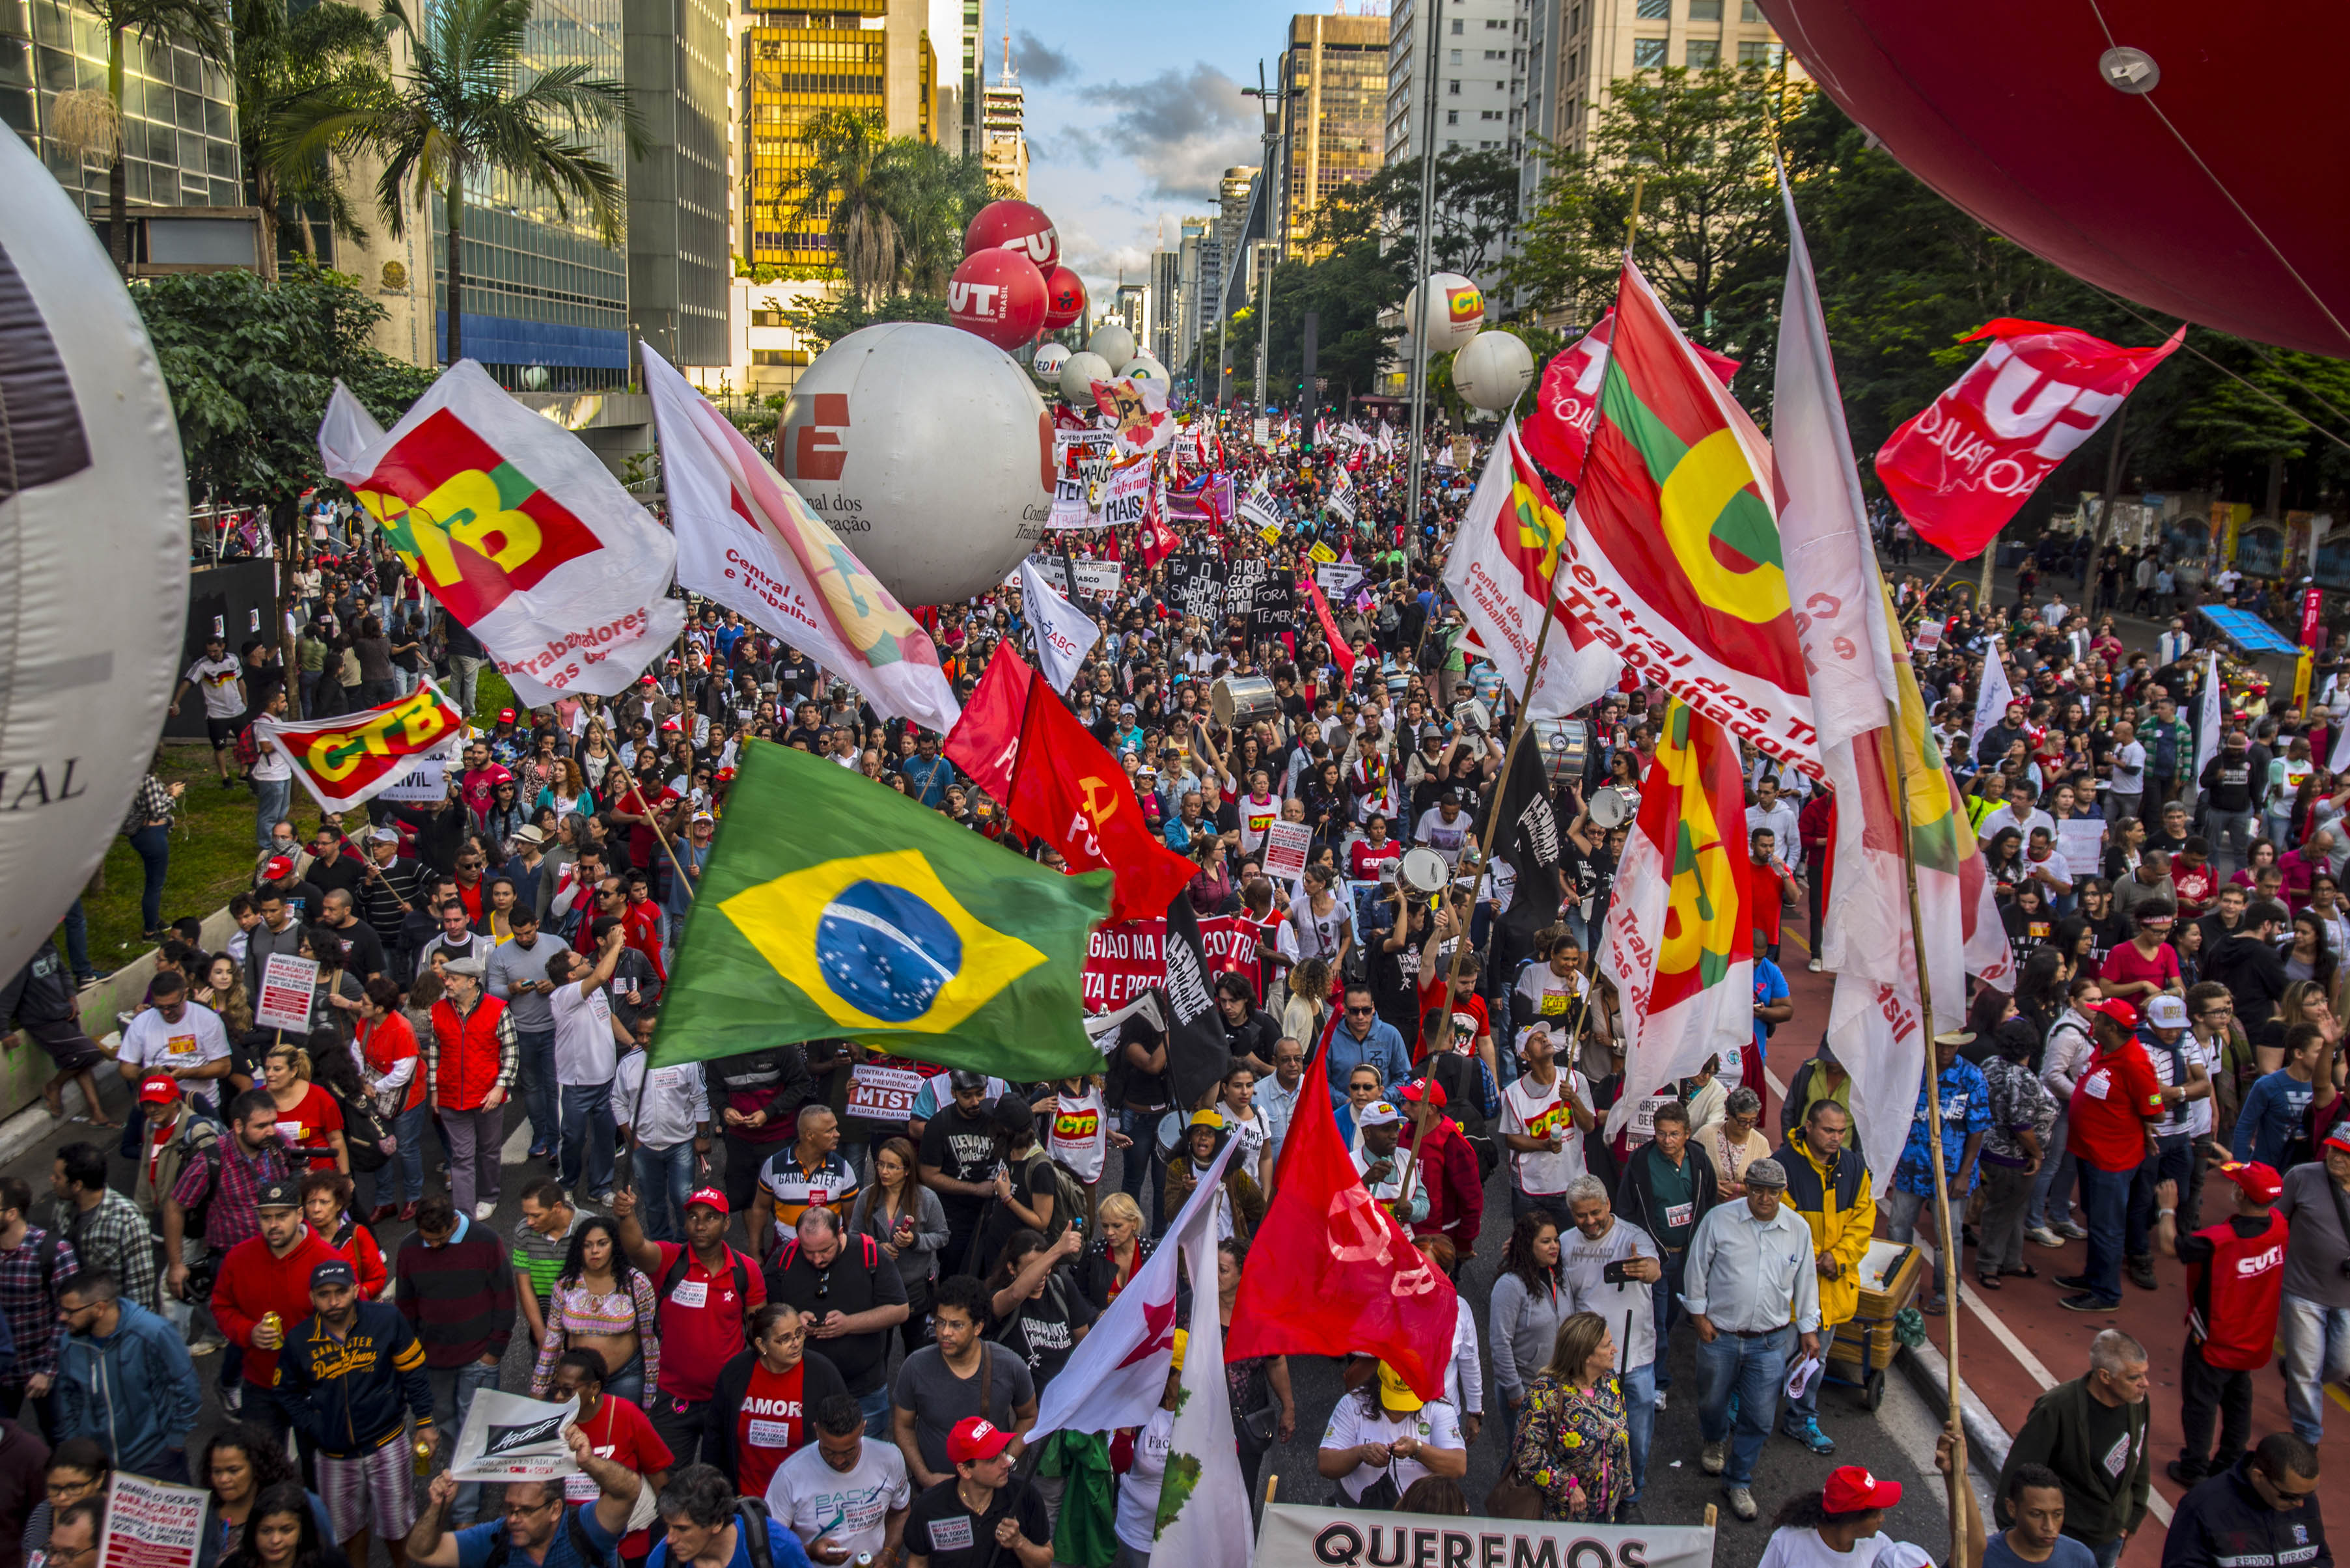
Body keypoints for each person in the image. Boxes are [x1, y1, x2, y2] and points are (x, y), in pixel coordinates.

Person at [1682, 1156, 1821, 1521]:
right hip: (1720, 1336)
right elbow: (1697, 1267)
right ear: (1747, 1188)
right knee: (1712, 1402)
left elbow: (1807, 1282)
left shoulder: (1798, 1229)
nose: (1764, 1198)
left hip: (1771, 1342)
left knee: (1760, 1417)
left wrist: (1808, 1328)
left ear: (1782, 1194)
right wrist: (1698, 1316)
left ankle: (1738, 1479)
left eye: (1773, 1192)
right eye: (1757, 1189)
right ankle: (1714, 1440)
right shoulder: (1719, 1219)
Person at [273, 1259, 434, 1567]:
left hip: (387, 1443)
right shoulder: (298, 1340)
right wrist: (313, 1426)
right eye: (324, 1294)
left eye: (340, 1292)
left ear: (356, 1290)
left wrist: (425, 1422)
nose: (333, 1302)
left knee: (397, 1524)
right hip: (333, 1456)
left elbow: (414, 1370)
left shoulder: (386, 1320)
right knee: (346, 1530)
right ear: (312, 1298)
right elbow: (285, 1391)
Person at [611, 1185, 766, 1468]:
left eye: (711, 1217)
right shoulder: (668, 1259)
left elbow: (759, 1333)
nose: (700, 1225)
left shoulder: (746, 1271)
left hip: (726, 1398)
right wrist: (627, 1215)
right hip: (672, 1395)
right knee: (666, 1480)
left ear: (727, 1223)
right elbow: (636, 1247)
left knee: (724, 1480)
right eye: (693, 1217)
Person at [2152, 1164, 2288, 1485]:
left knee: (2200, 1404)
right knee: (2239, 1401)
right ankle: (2229, 1460)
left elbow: (2170, 1245)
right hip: (2253, 1338)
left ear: (2239, 1194)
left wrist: (2167, 1209)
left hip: (2214, 1338)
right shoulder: (2279, 1226)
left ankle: (2193, 1468)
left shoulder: (2219, 1239)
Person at [393, 1198, 514, 1529]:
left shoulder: (485, 1240)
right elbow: (405, 1302)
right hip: (432, 1359)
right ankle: (469, 1486)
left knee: (471, 1433)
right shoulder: (408, 1248)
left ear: (454, 1224)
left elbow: (505, 1295)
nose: (432, 1245)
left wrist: (495, 1349)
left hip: (479, 1357)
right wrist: (410, 1351)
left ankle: (464, 1515)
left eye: (440, 1239)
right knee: (446, 1428)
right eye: (426, 1239)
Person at [1997, 1330, 2152, 1568]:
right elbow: (2018, 1473)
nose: (2145, 1384)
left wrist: (2132, 1519)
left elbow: (2138, 1458)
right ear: (2105, 1376)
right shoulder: (2057, 1407)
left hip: (2110, 1538)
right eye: (2134, 1377)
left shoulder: (2138, 1403)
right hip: (2062, 1542)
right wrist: (2014, 1543)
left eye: (2145, 1374)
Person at [399, 1421, 639, 1568]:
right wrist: (437, 1506)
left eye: (525, 1510)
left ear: (555, 1509)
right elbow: (421, 1552)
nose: (512, 1519)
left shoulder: (587, 1528)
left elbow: (628, 1491)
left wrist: (588, 1463)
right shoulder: (496, 1539)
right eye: (509, 1508)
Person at [1776, 1100, 1873, 1455]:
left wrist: (1840, 1258)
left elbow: (1863, 1220)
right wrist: (1818, 1258)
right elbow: (1782, 1221)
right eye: (1829, 1130)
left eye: (1841, 1131)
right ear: (1809, 1127)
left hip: (1830, 1291)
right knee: (1774, 1357)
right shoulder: (1782, 1165)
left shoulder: (1854, 1167)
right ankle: (1748, 1406)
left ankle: (1801, 1420)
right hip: (1789, 1291)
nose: (1836, 1138)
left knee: (1813, 1362)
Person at [210, 1178, 340, 1442]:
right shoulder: (238, 1259)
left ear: (300, 1214)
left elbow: (352, 1317)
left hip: (317, 1385)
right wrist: (248, 1331)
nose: (274, 1225)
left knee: (318, 1471)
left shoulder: (328, 1261)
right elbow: (222, 1306)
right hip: (261, 1385)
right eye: (266, 1217)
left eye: (281, 1216)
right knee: (263, 1469)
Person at [760, 1207, 908, 1437]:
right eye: (808, 1252)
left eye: (825, 1250)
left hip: (864, 1390)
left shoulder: (870, 1254)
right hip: (802, 1389)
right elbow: (764, 1315)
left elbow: (900, 1310)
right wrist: (793, 1324)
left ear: (840, 1233)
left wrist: (848, 1324)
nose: (817, 1259)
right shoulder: (783, 1261)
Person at [2059, 1000, 2166, 1314]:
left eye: (2100, 1016)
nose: (2094, 1017)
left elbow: (2155, 1110)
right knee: (2096, 1219)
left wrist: (2145, 1124)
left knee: (2108, 1226)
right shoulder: (2104, 1048)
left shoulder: (2135, 1062)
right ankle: (2093, 1277)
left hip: (2113, 1160)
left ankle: (2106, 1293)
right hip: (2091, 1152)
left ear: (2112, 1028)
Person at [1556, 1179, 1659, 1501]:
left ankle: (1633, 1490)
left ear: (1609, 1205)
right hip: (1587, 1362)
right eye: (1580, 1215)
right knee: (1586, 1436)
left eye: (1595, 1213)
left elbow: (1654, 1268)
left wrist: (1646, 1269)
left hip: (1635, 1358)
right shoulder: (1565, 1243)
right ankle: (1592, 1493)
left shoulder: (1633, 1237)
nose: (1589, 1221)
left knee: (1636, 1436)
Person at [53, 1269, 200, 1481]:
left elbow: (187, 1388)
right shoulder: (70, 1342)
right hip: (98, 1463)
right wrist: (75, 1443)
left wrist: (174, 1442)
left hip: (156, 1459)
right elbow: (67, 1395)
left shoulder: (154, 1333)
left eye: (69, 1311)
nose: (62, 1317)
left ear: (99, 1308)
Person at [891, 1276, 1036, 1491]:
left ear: (978, 1327)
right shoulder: (915, 1367)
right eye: (940, 1322)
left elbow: (1029, 1416)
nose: (945, 1332)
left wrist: (1007, 1461)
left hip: (988, 1491)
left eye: (956, 1325)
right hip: (934, 1492)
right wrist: (924, 1476)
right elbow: (903, 1426)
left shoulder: (1010, 1365)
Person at [1887, 1030, 1991, 1314]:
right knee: (1898, 1226)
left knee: (1948, 1237)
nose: (1945, 1051)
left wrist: (1965, 1173)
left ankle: (1947, 1293)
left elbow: (1978, 1129)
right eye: (1940, 1045)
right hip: (1912, 1167)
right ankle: (1898, 1285)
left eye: (1951, 1046)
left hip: (1951, 1171)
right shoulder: (1913, 1071)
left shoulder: (1972, 1077)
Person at [703, 1302, 850, 1503]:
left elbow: (844, 1433)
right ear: (762, 1345)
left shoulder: (823, 1374)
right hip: (746, 1499)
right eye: (785, 1339)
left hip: (804, 1500)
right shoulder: (736, 1372)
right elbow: (715, 1436)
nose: (796, 1343)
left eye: (799, 1333)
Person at [543, 1349, 670, 1568]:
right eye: (556, 1388)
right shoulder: (549, 1420)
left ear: (595, 1388)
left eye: (567, 1390)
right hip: (564, 1544)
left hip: (625, 1542)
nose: (558, 1397)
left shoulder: (627, 1415)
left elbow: (660, 1481)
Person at [764, 1394, 911, 1568]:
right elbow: (770, 1544)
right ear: (816, 1430)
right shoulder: (790, 1475)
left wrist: (888, 1553)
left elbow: (901, 1512)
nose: (839, 1461)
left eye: (849, 1451)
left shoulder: (889, 1458)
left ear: (863, 1429)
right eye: (829, 1451)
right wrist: (811, 1551)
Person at [527, 1216, 658, 1407]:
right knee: (578, 1434)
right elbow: (552, 1340)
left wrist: (650, 1395)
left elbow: (649, 1340)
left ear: (615, 1245)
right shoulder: (566, 1284)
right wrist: (538, 1389)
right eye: (587, 1245)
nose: (594, 1251)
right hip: (577, 1382)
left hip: (625, 1378)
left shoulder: (636, 1283)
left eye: (602, 1244)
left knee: (617, 1434)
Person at [424, 957, 517, 1224]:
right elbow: (435, 1053)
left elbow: (511, 1053)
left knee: (488, 1151)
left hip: (488, 1096)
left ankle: (489, 1197)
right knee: (462, 1156)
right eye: (447, 977)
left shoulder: (498, 1009)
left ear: (472, 982)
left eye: (453, 978)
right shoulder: (438, 1010)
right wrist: (435, 1090)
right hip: (452, 1097)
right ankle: (464, 1215)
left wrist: (501, 1088)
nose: (447, 982)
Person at [2273, 1132, 2350, 1443]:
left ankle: (2293, 1369)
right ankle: (2308, 1435)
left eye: (2346, 1155)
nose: (2336, 1158)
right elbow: (2276, 1222)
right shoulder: (2302, 1177)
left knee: (2341, 1366)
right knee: (2307, 1373)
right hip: (2302, 1290)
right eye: (2334, 1150)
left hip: (2345, 1297)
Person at [1315, 1361, 1468, 1509]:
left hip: (1418, 1518)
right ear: (1379, 1384)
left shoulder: (1439, 1408)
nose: (1400, 1410)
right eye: (1394, 1400)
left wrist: (1418, 1450)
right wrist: (1361, 1453)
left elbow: (1458, 1466)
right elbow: (1326, 1464)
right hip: (1356, 1511)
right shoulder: (1352, 1404)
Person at [2159, 1433, 2327, 1568]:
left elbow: (2321, 1557)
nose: (2300, 1504)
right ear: (2258, 1477)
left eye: (2309, 1493)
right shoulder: (2202, 1507)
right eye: (2290, 1497)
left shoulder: (2301, 1496)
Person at [902, 1417, 1049, 1568]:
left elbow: (1046, 1561)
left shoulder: (1025, 1495)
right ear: (964, 1470)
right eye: (992, 1460)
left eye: (1003, 1452)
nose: (1006, 1463)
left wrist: (1020, 1542)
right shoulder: (929, 1507)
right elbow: (917, 1562)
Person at [615, 1021, 711, 1245]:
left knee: (683, 1199)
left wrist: (702, 1136)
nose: (644, 1040)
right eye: (640, 1034)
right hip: (644, 1148)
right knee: (652, 1202)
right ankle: (661, 1246)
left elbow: (700, 1098)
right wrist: (632, 1139)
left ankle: (685, 1245)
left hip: (681, 1146)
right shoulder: (628, 1064)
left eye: (650, 1034)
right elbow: (618, 1102)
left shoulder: (686, 1059)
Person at [195, 1425, 344, 1568]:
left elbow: (325, 1552)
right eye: (217, 1471)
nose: (223, 1479)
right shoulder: (201, 1511)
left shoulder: (305, 1503)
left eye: (233, 1470)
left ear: (257, 1466)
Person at [0, 1177, 76, 1436]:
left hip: (43, 1367)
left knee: (59, 1436)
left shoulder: (54, 1251)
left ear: (11, 1214)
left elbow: (66, 1316)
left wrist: (48, 1370)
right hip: (3, 1371)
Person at [1499, 1023, 1594, 1220]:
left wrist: (1574, 1099)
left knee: (1569, 1248)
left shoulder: (1575, 1080)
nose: (1544, 1039)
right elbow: (1511, 1139)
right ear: (1525, 1056)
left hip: (1572, 1185)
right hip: (1531, 1190)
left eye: (1544, 1036)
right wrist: (1544, 1145)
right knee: (1530, 1247)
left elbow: (1589, 1126)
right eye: (1535, 1039)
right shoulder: (1513, 1094)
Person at [1489, 1211, 1566, 1449]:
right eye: (1546, 1241)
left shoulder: (1559, 1277)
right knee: (1522, 1459)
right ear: (1527, 1245)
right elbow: (1500, 1342)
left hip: (1559, 1387)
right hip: (1525, 1389)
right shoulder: (1510, 1285)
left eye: (1556, 1240)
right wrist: (1515, 1391)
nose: (1554, 1246)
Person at [1109, 1338, 1184, 1568]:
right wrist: (1127, 1422)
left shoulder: (1199, 1408)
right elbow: (1119, 1464)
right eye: (1182, 1372)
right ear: (1166, 1375)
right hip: (1139, 1534)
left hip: (1185, 1534)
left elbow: (1226, 1457)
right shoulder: (1139, 1409)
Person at [1753, 1462, 1906, 1568]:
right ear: (1851, 1520)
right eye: (1876, 1515)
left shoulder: (1883, 1547)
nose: (1882, 1519)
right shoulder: (1786, 1543)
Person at [512, 1181, 588, 1355]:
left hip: (584, 1326)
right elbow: (525, 1286)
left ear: (557, 1207)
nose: (529, 1222)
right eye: (527, 1215)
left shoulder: (589, 1228)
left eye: (536, 1216)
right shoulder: (523, 1232)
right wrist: (540, 1334)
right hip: (545, 1323)